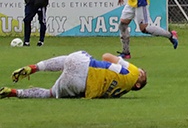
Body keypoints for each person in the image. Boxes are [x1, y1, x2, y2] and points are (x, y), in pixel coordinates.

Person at [0, 51, 147, 99]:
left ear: (137, 84)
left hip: (84, 65)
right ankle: (14, 93)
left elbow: (106, 56)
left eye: (142, 73)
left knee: (72, 58)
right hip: (79, 86)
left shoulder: (133, 72)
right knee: (50, 94)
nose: (141, 70)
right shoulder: (120, 93)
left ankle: (35, 67)